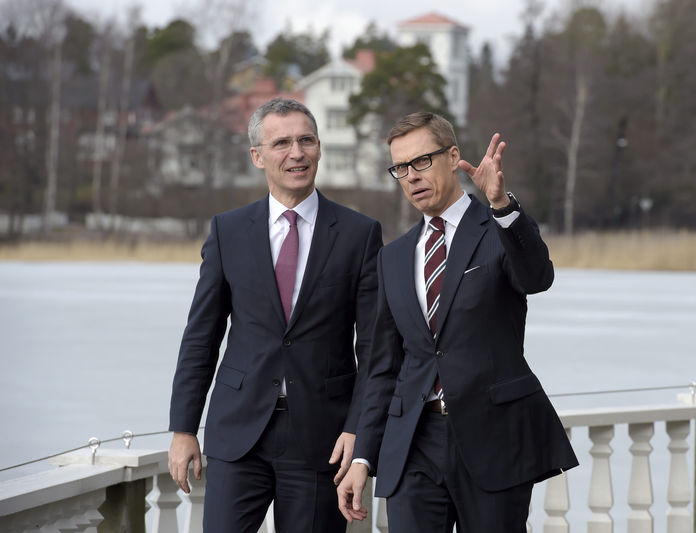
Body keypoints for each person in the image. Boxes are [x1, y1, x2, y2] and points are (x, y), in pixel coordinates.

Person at [337, 112, 577, 532]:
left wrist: (501, 206)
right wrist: (363, 456)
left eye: (422, 161)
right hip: (412, 443)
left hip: (493, 439)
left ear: (452, 156)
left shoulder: (497, 227)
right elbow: (382, 366)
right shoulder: (393, 257)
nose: (411, 176)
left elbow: (537, 278)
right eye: (401, 168)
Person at [168, 97, 382, 533]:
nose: (296, 153)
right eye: (281, 142)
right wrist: (183, 427)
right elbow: (201, 336)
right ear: (257, 156)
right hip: (238, 433)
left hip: (323, 439)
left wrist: (359, 428)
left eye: (306, 140)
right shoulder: (228, 231)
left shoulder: (360, 234)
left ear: (320, 148)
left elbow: (375, 348)